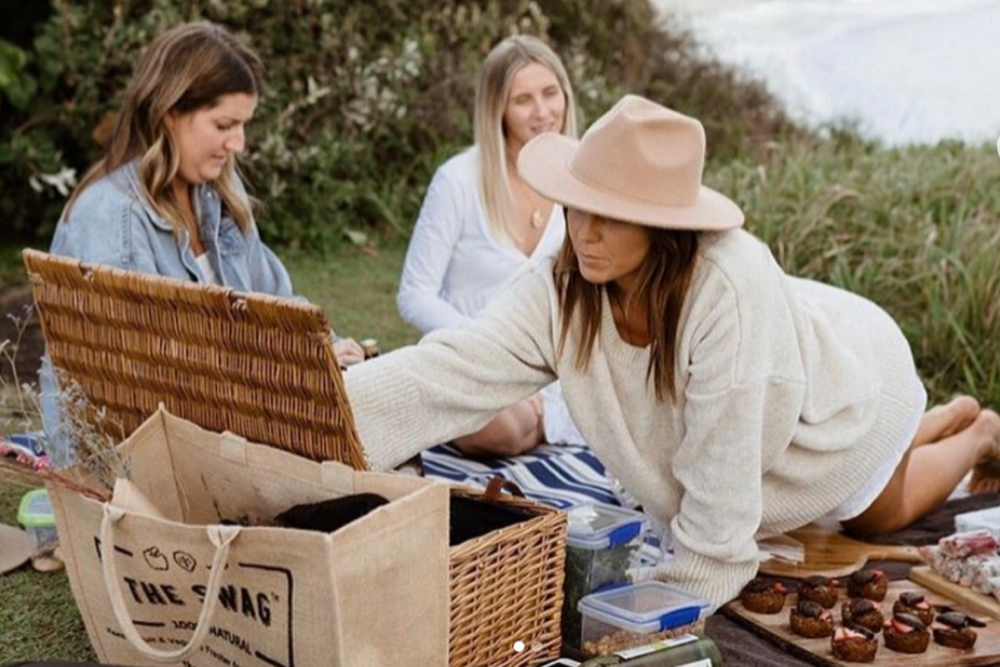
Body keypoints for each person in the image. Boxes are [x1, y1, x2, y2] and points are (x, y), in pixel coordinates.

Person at [344, 95, 1000, 611]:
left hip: (842, 392)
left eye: (611, 214)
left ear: (665, 226)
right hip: (781, 375)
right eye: (576, 207)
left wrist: (668, 598)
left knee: (876, 513)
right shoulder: (568, 281)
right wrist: (331, 410)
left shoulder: (727, 291)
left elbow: (714, 532)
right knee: (851, 505)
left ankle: (976, 434)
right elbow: (452, 368)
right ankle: (940, 419)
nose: (584, 230)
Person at [48, 21, 364, 364]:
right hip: (159, 415)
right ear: (170, 113)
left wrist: (322, 347)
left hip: (234, 401)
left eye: (243, 125)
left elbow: (274, 300)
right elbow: (130, 369)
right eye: (224, 125)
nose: (238, 144)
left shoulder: (218, 192)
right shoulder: (111, 216)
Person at [396, 35, 584, 457]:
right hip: (473, 361)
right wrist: (488, 349)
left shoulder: (581, 180)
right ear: (496, 108)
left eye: (550, 93)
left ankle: (541, 422)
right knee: (494, 430)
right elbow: (414, 294)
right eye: (523, 100)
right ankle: (536, 426)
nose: (542, 112)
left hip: (554, 371)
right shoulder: (458, 179)